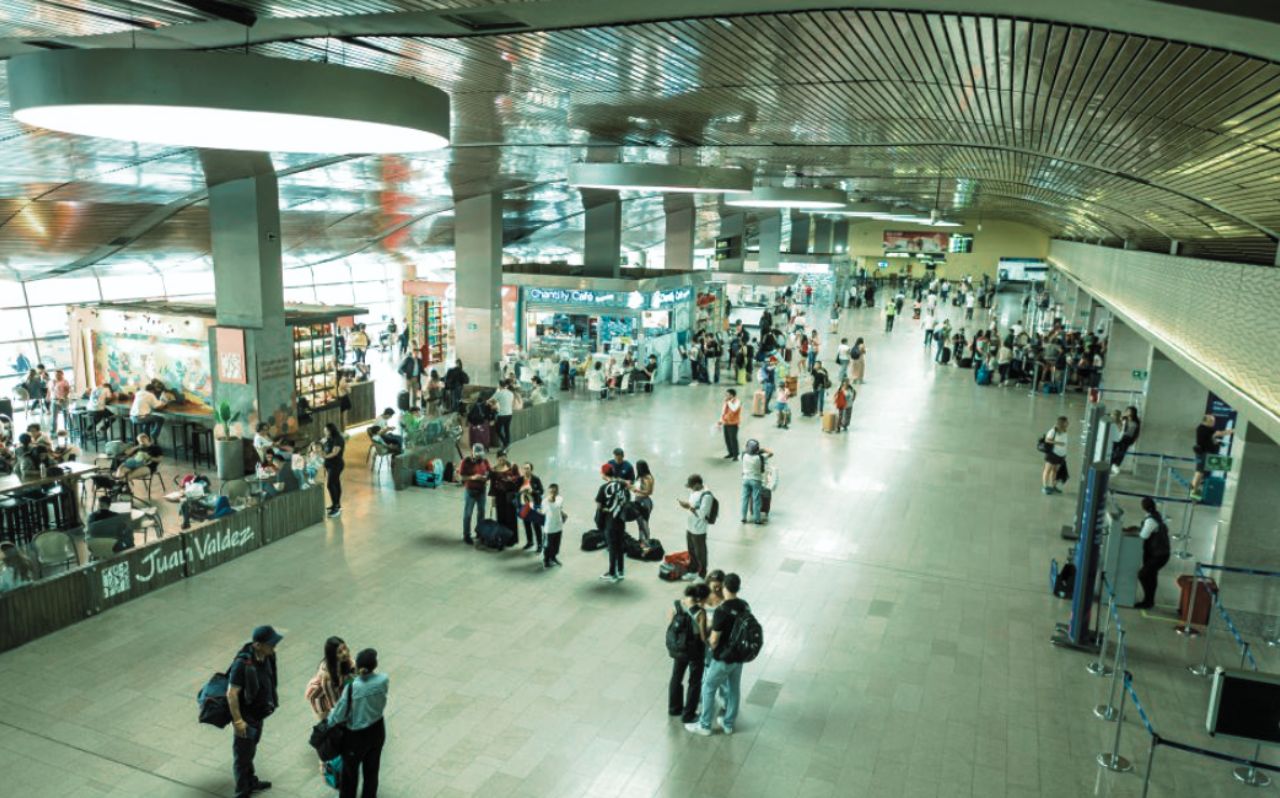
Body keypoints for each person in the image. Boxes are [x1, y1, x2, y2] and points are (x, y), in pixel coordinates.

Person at [687, 573, 749, 736]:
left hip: (723, 658)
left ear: (724, 588)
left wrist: (708, 643)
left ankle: (705, 725)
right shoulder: (745, 605)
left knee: (708, 687)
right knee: (734, 688)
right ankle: (728, 724)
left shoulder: (722, 611)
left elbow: (714, 640)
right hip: (739, 657)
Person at [227, 625, 282, 798]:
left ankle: (250, 781)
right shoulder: (242, 664)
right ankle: (242, 791)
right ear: (257, 644)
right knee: (242, 755)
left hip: (259, 714)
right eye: (270, 643)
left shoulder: (268, 656)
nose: (274, 646)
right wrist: (238, 721)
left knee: (250, 749)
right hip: (245, 718)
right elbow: (232, 693)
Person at [327, 648, 389, 798]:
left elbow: (339, 714)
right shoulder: (383, 679)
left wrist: (329, 721)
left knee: (350, 774)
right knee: (372, 771)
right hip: (378, 729)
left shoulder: (352, 687)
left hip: (355, 737)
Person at [668, 582, 711, 723]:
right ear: (700, 598)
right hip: (695, 651)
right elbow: (703, 636)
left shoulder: (677, 605)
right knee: (694, 681)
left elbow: (671, 623)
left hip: (679, 647)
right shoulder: (700, 612)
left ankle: (674, 708)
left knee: (676, 677)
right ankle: (688, 715)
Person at [1127, 497, 1171, 609]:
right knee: (1151, 576)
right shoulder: (1157, 516)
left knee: (1143, 575)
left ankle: (1148, 601)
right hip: (1161, 553)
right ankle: (1149, 600)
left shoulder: (1150, 520)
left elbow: (1143, 536)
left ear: (1143, 507)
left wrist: (1134, 532)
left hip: (1158, 555)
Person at [306, 636, 354, 720]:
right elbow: (334, 704)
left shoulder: (346, 661)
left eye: (344, 648)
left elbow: (350, 678)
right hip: (323, 702)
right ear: (333, 656)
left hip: (337, 690)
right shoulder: (328, 676)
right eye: (339, 652)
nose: (345, 653)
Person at [596, 464, 630, 582]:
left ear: (604, 474)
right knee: (620, 546)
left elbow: (599, 506)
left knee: (612, 547)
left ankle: (612, 573)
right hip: (621, 520)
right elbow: (627, 498)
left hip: (611, 521)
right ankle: (620, 571)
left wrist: (606, 509)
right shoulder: (622, 485)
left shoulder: (604, 488)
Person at [677, 474, 714, 581]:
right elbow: (693, 505)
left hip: (699, 529)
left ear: (698, 484)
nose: (690, 489)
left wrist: (688, 506)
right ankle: (693, 570)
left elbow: (702, 514)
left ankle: (702, 575)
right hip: (690, 527)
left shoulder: (707, 496)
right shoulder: (694, 491)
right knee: (691, 550)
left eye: (692, 486)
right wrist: (688, 505)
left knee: (700, 552)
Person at [1190, 414, 1233, 501]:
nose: (1213, 423)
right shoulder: (1204, 428)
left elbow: (1210, 439)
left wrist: (1216, 442)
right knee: (1200, 472)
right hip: (1203, 453)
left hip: (1205, 453)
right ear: (1206, 421)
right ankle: (1194, 490)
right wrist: (1233, 431)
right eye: (1211, 421)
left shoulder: (1204, 429)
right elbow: (1220, 433)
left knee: (1200, 472)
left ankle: (1195, 489)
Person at [459, 444, 490, 545]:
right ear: (472, 452)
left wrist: (486, 477)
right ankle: (466, 535)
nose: (479, 457)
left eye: (480, 455)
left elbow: (490, 472)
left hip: (482, 491)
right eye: (477, 455)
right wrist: (473, 478)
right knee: (468, 514)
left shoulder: (484, 461)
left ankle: (480, 533)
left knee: (481, 513)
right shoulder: (466, 462)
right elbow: (461, 477)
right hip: (470, 491)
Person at [739, 439, 772, 524]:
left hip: (745, 479)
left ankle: (743, 517)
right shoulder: (760, 457)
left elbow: (744, 451)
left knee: (744, 499)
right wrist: (763, 450)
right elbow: (771, 453)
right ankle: (757, 519)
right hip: (756, 480)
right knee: (756, 500)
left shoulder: (743, 455)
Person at [518, 462, 545, 551]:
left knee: (536, 525)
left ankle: (540, 544)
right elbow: (516, 490)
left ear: (531, 469)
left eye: (528, 468)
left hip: (534, 505)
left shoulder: (536, 479)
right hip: (524, 505)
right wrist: (520, 491)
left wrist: (532, 491)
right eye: (524, 468)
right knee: (527, 524)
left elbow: (541, 491)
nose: (526, 470)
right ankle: (530, 542)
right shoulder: (520, 479)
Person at [321, 422, 345, 517]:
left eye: (326, 430)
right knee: (336, 483)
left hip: (336, 464)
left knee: (330, 485)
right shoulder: (329, 438)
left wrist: (324, 456)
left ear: (331, 430)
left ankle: (336, 507)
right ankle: (336, 504)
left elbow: (334, 453)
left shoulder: (338, 439)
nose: (325, 432)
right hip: (329, 464)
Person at [1041, 416, 1069, 495]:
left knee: (1055, 471)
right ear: (1062, 423)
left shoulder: (1065, 430)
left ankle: (1053, 486)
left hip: (1061, 455)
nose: (1068, 423)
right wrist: (1058, 443)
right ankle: (1045, 486)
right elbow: (1047, 440)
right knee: (1048, 470)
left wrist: (1064, 454)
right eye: (1066, 422)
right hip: (1053, 454)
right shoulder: (1053, 430)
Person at [1110, 406, 1142, 475]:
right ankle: (1111, 463)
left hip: (1128, 438)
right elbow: (1119, 425)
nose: (1129, 413)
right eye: (1128, 411)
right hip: (1120, 436)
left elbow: (1137, 432)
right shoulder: (1124, 419)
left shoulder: (1136, 422)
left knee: (1122, 452)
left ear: (1134, 413)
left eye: (1131, 411)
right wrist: (1123, 417)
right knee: (1114, 450)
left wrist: (1134, 440)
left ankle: (1116, 465)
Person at [541, 482, 566, 568]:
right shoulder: (545, 501)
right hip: (549, 528)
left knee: (556, 545)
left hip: (558, 526)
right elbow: (543, 512)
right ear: (549, 492)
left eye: (555, 492)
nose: (553, 494)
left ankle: (553, 557)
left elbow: (559, 507)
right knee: (547, 546)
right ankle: (546, 560)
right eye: (551, 492)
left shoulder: (560, 499)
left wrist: (563, 514)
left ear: (557, 492)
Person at [632, 459, 656, 541]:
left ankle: (647, 540)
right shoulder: (639, 477)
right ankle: (641, 539)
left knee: (644, 523)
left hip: (644, 501)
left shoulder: (648, 478)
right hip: (638, 500)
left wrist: (637, 490)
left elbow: (649, 492)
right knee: (639, 523)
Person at [718, 389, 741, 460]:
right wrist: (720, 420)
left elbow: (734, 409)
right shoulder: (726, 402)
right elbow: (723, 411)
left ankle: (736, 455)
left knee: (733, 439)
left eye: (727, 395)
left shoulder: (737, 401)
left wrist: (728, 402)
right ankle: (730, 453)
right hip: (726, 422)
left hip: (733, 424)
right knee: (727, 439)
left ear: (732, 395)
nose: (726, 396)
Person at [493, 379, 515, 450]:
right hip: (509, 414)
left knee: (497, 429)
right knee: (507, 429)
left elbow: (490, 400)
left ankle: (505, 443)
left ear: (499, 385)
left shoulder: (499, 393)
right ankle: (507, 443)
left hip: (502, 414)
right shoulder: (510, 393)